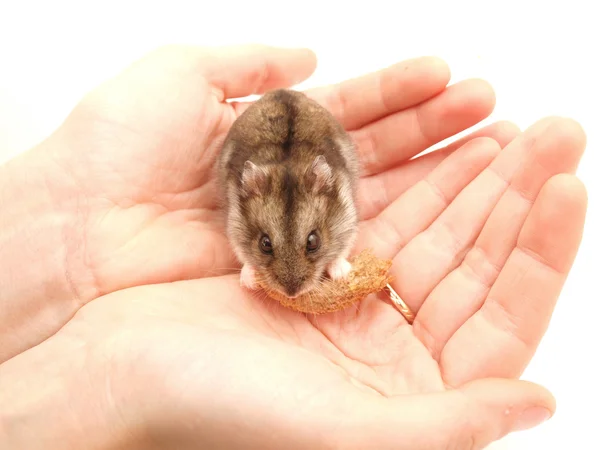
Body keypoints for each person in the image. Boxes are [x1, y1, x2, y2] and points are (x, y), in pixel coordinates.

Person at [0, 44, 587, 449]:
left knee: (304, 233)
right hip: (260, 160)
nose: (289, 277)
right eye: (263, 246)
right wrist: (252, 262)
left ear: (327, 206)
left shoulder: (332, 194)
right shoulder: (246, 193)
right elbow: (240, 229)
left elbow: (343, 222)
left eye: (310, 246)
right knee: (276, 236)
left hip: (311, 159)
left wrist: (333, 258)